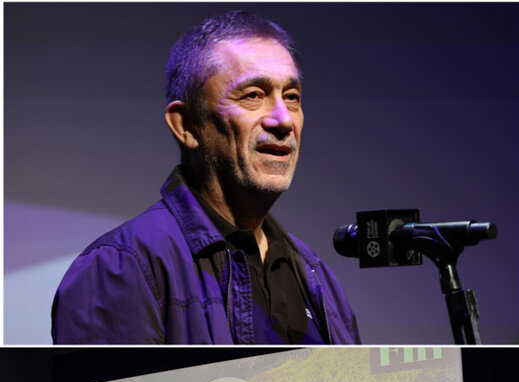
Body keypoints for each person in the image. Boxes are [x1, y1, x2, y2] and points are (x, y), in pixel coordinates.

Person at [51, 10, 359, 344]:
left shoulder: (316, 275)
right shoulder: (121, 267)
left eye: (292, 97)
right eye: (253, 95)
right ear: (186, 125)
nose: (283, 120)